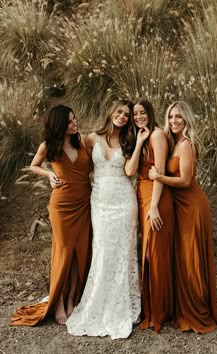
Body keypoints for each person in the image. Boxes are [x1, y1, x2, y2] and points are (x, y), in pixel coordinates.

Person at [66, 99, 141, 339]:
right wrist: (52, 175)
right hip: (99, 202)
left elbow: (130, 172)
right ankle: (98, 301)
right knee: (103, 251)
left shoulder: (128, 140)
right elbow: (80, 167)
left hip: (124, 201)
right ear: (110, 112)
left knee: (123, 255)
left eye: (126, 115)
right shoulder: (90, 139)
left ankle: (121, 305)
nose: (122, 116)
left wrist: (138, 142)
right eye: (119, 112)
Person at [11, 105, 92, 326]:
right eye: (69, 122)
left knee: (80, 253)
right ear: (58, 125)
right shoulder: (48, 146)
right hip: (62, 205)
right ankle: (58, 302)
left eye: (74, 119)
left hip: (85, 203)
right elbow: (33, 165)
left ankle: (72, 302)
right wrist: (49, 174)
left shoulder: (82, 140)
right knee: (64, 253)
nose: (74, 124)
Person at [149, 100, 217, 333]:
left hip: (192, 206)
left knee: (191, 257)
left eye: (178, 117)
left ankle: (197, 310)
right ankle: (181, 306)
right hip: (179, 206)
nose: (174, 121)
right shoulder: (170, 141)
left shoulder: (186, 145)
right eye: (171, 117)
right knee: (182, 256)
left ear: (187, 119)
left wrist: (158, 177)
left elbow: (185, 181)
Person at [125, 98, 174, 333]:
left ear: (151, 113)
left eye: (142, 113)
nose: (138, 117)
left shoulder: (156, 136)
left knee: (154, 255)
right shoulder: (142, 136)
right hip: (142, 197)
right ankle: (150, 308)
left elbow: (160, 172)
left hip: (156, 199)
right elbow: (133, 171)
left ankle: (159, 311)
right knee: (146, 253)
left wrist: (154, 206)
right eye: (135, 114)